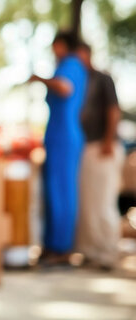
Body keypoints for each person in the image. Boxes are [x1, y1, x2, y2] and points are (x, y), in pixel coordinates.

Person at [28, 32, 88, 265]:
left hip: (64, 135)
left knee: (61, 192)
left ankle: (61, 248)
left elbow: (65, 88)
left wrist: (40, 79)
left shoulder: (71, 64)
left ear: (62, 45)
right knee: (54, 191)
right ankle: (52, 245)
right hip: (58, 135)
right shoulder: (68, 65)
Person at [74, 42, 123, 271]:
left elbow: (113, 110)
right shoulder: (80, 81)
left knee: (102, 202)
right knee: (87, 203)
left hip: (103, 147)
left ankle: (107, 251)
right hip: (85, 147)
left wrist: (107, 141)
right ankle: (90, 251)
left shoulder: (102, 79)